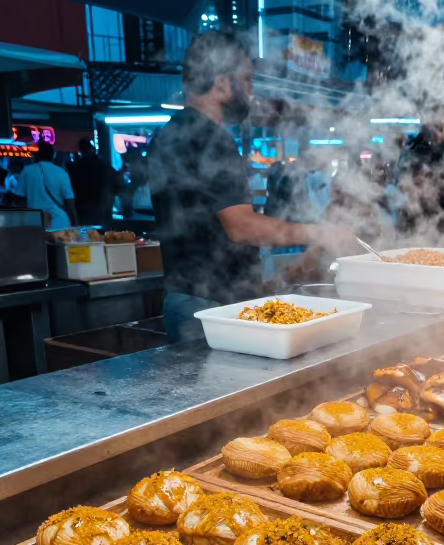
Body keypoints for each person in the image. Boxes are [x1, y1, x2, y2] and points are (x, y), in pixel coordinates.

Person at [147, 31, 359, 343]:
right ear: (220, 82)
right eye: (246, 80)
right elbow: (242, 227)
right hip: (210, 308)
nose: (250, 90)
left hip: (185, 299)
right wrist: (322, 233)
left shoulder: (170, 134)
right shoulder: (210, 138)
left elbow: (207, 231)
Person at [14, 141, 76, 229]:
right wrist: (73, 221)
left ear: (37, 155)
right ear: (53, 156)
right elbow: (69, 201)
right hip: (59, 222)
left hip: (35, 223)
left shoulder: (27, 171)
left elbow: (19, 199)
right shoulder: (61, 173)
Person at [67, 137, 119, 227]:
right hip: (102, 206)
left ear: (80, 151)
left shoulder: (75, 167)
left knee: (85, 235)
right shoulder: (103, 165)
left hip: (82, 207)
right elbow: (116, 183)